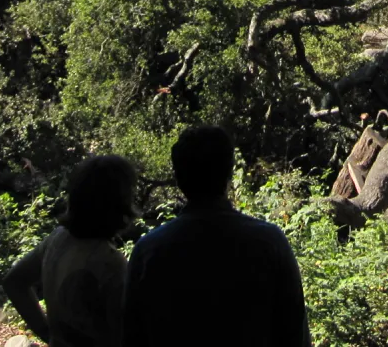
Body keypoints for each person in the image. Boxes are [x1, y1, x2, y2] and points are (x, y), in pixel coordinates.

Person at [122, 126, 310, 347]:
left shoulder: (148, 251)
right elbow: (294, 335)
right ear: (229, 172)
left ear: (179, 178)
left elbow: (132, 337)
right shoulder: (269, 242)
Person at [5, 154, 138, 347]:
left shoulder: (58, 239)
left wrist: (47, 333)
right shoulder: (111, 263)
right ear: (120, 204)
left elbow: (14, 282)